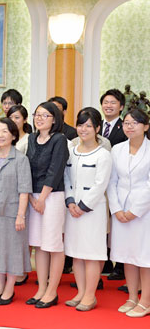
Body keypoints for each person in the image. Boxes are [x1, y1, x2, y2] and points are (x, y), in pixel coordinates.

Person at [63, 107, 112, 312]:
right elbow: (66, 178)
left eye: (89, 126)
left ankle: (90, 296)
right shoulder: (72, 151)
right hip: (72, 209)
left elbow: (101, 184)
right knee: (76, 253)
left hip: (92, 211)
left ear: (97, 128)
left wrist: (83, 206)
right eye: (80, 125)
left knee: (91, 254)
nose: (83, 129)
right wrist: (71, 201)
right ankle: (81, 292)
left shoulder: (103, 155)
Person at [0, 118, 32, 306]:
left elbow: (24, 189)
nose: (0, 135)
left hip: (12, 211)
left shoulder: (20, 159)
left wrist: (21, 215)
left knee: (11, 250)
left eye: (4, 131)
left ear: (13, 135)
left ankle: (9, 288)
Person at [25, 101, 69, 308]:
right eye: (37, 114)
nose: (39, 118)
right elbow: (27, 168)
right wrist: (32, 198)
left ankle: (52, 291)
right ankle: (41, 288)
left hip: (52, 196)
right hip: (33, 197)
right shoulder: (32, 138)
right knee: (39, 245)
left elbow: (55, 170)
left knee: (53, 244)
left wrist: (41, 198)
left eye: (45, 115)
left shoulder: (59, 139)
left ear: (55, 119)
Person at [108, 109, 150, 317]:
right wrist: (116, 209)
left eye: (135, 123)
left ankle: (145, 300)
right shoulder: (117, 149)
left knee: (144, 257)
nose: (130, 126)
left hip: (144, 212)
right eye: (126, 123)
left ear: (146, 126)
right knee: (127, 256)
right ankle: (132, 296)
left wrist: (135, 211)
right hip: (121, 211)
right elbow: (111, 181)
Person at [100, 88, 128, 281]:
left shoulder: (126, 127)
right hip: (99, 184)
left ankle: (122, 266)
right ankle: (106, 260)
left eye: (113, 103)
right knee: (102, 223)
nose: (108, 106)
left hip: (118, 183)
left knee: (118, 224)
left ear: (121, 107)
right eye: (105, 102)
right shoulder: (96, 126)